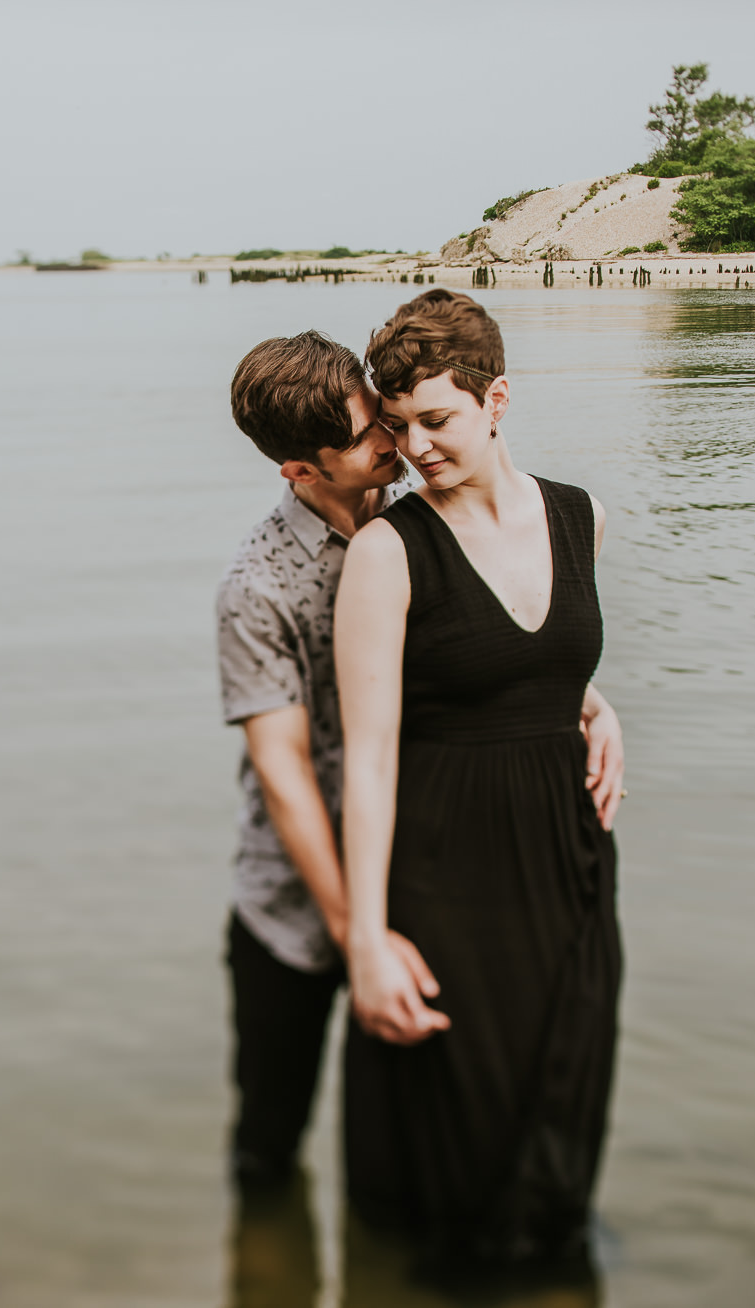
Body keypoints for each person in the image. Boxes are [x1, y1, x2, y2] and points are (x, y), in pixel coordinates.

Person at [215, 329, 627, 1202]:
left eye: (389, 421)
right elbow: (288, 783)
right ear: (300, 469)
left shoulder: (413, 516)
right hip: (299, 900)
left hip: (420, 869)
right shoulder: (258, 587)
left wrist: (586, 702)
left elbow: (476, 648)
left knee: (428, 1110)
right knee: (270, 1141)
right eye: (371, 438)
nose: (395, 446)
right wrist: (357, 935)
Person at [336, 290, 625, 1274]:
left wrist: (594, 702)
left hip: (569, 864)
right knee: (462, 1120)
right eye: (398, 425)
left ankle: (548, 1265)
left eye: (437, 419)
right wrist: (366, 940)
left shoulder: (579, 517)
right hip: (445, 868)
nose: (416, 446)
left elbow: (541, 661)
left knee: (566, 1082)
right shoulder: (387, 552)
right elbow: (368, 758)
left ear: (496, 398)